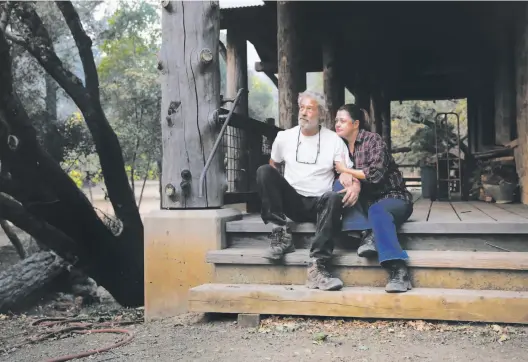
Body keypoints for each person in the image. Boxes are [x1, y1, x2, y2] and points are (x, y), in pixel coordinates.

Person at [256, 90, 360, 291]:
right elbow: (273, 167)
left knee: (333, 197)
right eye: (301, 108)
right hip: (293, 201)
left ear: (320, 113)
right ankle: (281, 232)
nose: (303, 112)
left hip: (320, 203)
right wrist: (274, 197)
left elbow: (345, 170)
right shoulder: (284, 137)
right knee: (264, 171)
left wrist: (351, 181)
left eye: (309, 108)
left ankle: (317, 267)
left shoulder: (333, 140)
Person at [333, 104, 414, 293]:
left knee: (378, 211)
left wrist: (346, 171)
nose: (337, 124)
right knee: (339, 186)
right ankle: (365, 233)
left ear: (356, 124)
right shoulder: (339, 146)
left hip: (392, 197)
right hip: (364, 202)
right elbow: (334, 173)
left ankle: (398, 269)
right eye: (336, 120)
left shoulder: (373, 141)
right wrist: (346, 178)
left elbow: (376, 174)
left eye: (342, 120)